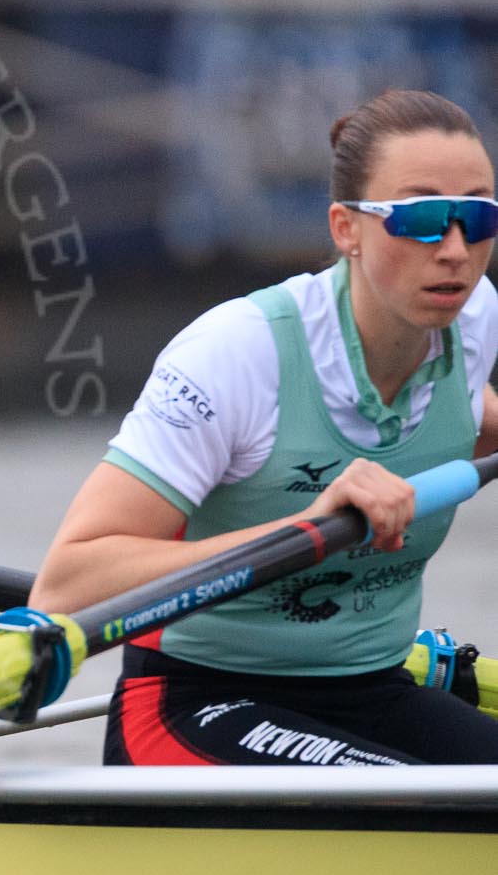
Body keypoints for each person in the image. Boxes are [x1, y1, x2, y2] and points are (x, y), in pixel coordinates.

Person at [31, 88, 498, 766]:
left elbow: (457, 412)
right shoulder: (238, 354)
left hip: (373, 690)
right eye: (423, 217)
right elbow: (67, 585)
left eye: (478, 217)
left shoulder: (474, 320)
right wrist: (303, 528)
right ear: (346, 228)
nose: (456, 250)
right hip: (195, 705)